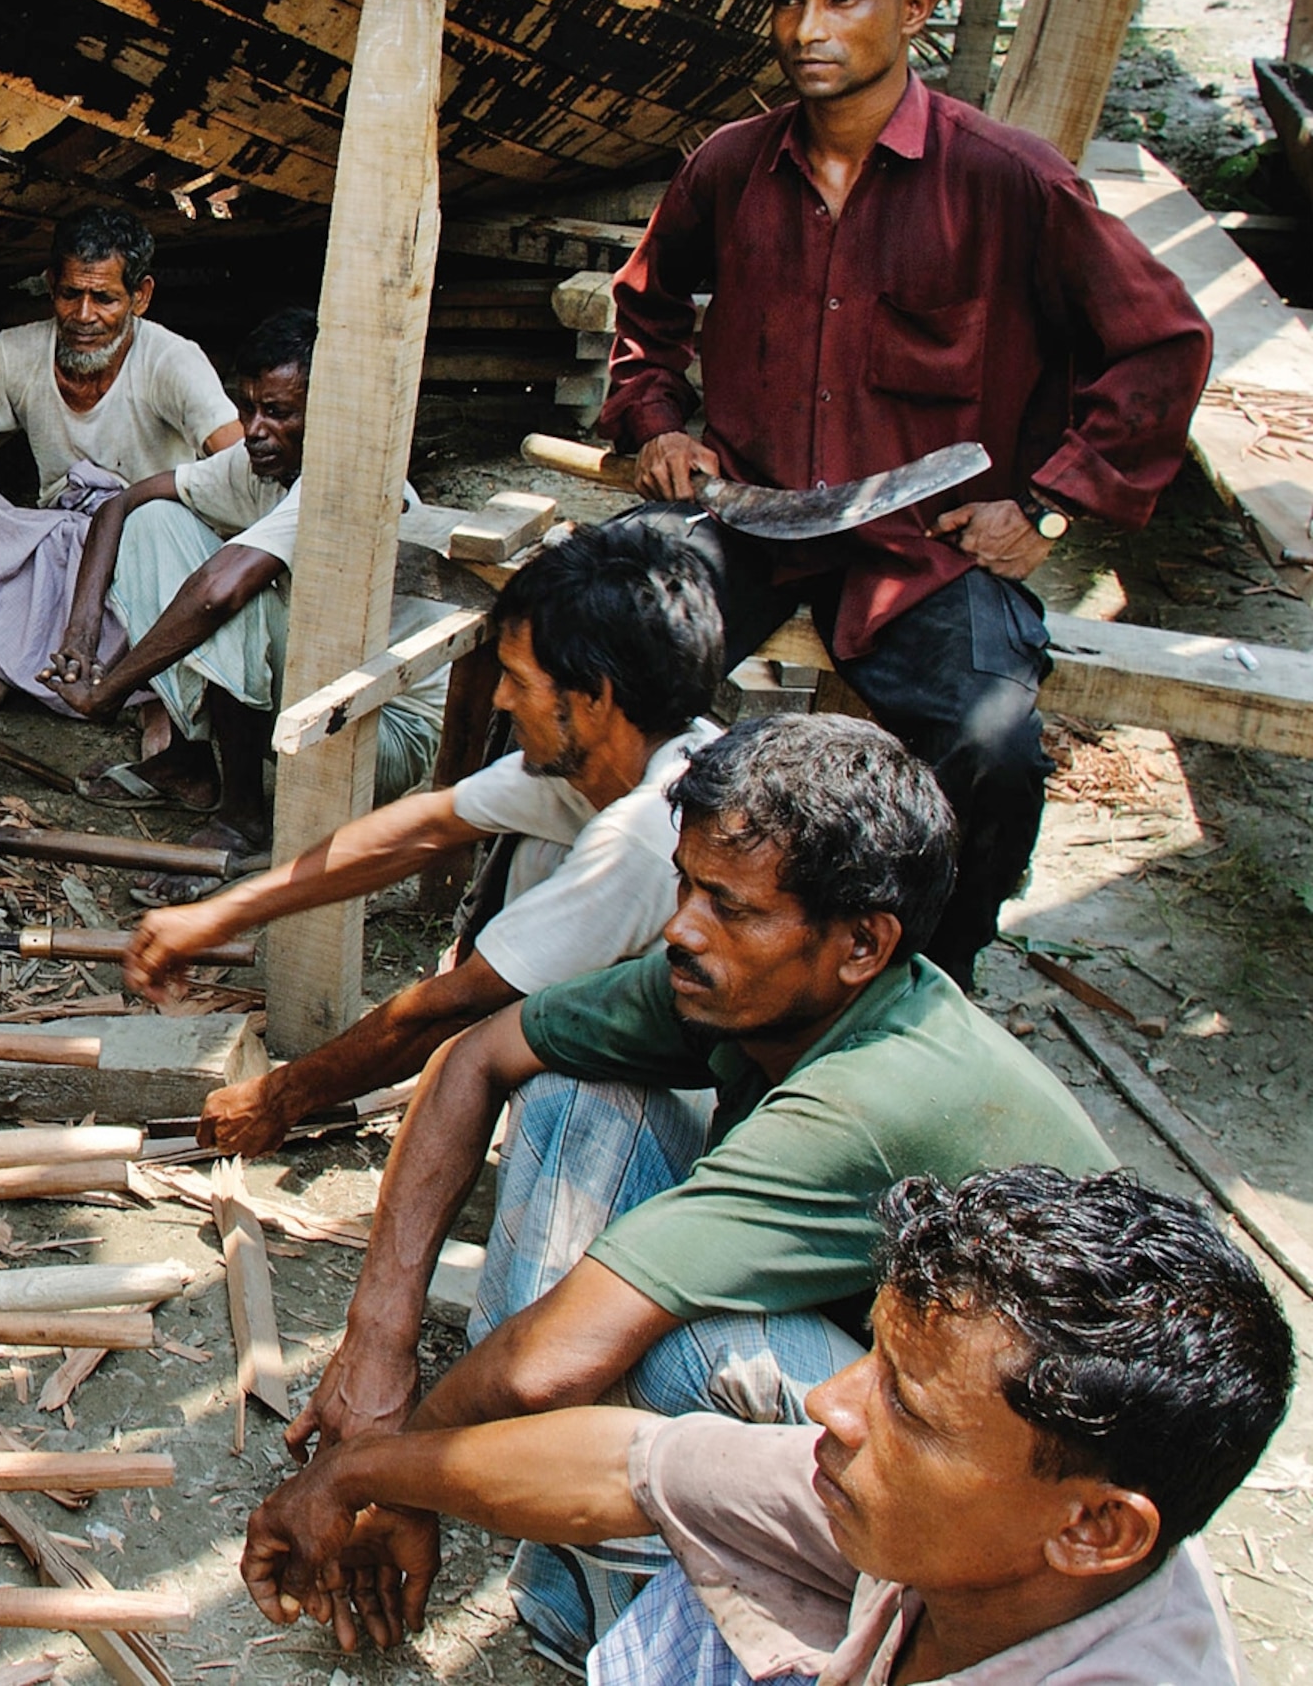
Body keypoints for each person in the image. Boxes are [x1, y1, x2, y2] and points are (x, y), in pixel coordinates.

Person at [280, 714, 1113, 1668]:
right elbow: (477, 1057)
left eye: (734, 907)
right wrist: (379, 1340)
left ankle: (659, 1637)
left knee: (674, 1346)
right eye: (686, 883)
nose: (681, 925)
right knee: (577, 1097)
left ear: (861, 945)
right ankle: (575, 1598)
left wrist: (377, 1481)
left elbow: (547, 1360)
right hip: (897, 1401)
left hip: (1002, 1518)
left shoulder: (866, 1100)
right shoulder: (742, 981)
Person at [602, 0, 1211, 985]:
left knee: (990, 749)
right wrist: (656, 418)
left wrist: (1054, 506)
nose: (808, 30)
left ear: (918, 6)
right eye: (789, 2)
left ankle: (931, 976)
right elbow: (645, 306)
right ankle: (618, 936)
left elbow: (1163, 341)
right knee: (595, 642)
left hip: (929, 547)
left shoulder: (1006, 178)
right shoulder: (733, 164)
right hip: (752, 515)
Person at [241, 1167, 1291, 1683]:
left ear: (1097, 1528)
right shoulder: (979, 1536)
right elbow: (639, 1462)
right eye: (873, 1361)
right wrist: (367, 1471)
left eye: (907, 1409)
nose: (832, 1399)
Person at [131, 514, 729, 1155]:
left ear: (594, 699)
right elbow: (424, 828)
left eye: (517, 681)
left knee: (555, 1090)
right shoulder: (616, 748)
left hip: (680, 1103)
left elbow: (452, 1006)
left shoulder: (648, 832)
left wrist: (281, 1097)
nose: (498, 700)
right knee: (535, 848)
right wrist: (221, 915)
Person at [43, 310, 439, 844]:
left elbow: (218, 593)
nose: (254, 431)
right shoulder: (264, 462)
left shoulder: (344, 483)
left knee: (232, 595)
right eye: (246, 408)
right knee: (156, 522)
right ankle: (190, 762)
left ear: (328, 413)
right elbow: (120, 504)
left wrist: (108, 690)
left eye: (277, 413)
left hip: (379, 730)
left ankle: (243, 815)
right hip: (318, 695)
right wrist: (81, 631)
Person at [0, 205, 241, 708]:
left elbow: (238, 467)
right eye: (69, 294)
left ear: (140, 297)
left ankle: (138, 684)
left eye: (104, 298)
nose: (83, 316)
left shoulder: (171, 360)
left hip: (141, 568)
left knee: (162, 524)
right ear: (50, 283)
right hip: (54, 562)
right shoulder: (18, 354)